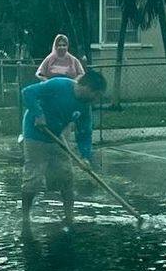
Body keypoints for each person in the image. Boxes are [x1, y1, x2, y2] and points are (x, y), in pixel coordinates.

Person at [20, 70, 107, 224]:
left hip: (56, 136)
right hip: (35, 133)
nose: (96, 99)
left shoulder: (85, 107)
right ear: (86, 87)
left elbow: (84, 132)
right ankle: (25, 218)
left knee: (66, 176)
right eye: (96, 94)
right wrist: (38, 113)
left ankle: (69, 217)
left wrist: (85, 156)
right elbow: (28, 92)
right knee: (34, 177)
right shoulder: (59, 84)